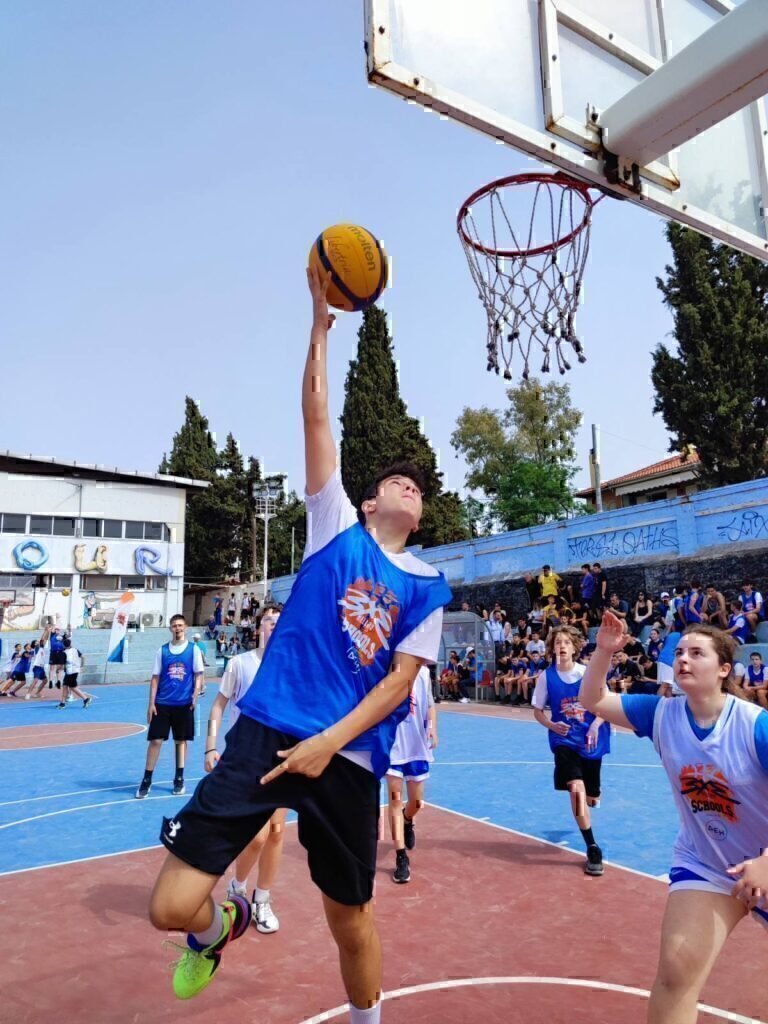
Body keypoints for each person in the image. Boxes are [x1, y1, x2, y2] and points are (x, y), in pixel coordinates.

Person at [146, 266, 452, 1018]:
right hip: (268, 729)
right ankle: (219, 928)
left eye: (419, 488)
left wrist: (328, 743)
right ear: (368, 501)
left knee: (350, 918)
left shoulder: (427, 585)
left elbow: (398, 683)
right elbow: (316, 412)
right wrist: (319, 324)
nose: (410, 487)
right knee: (169, 906)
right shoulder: (334, 525)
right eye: (397, 482)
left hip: (346, 757)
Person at [580, 612, 768, 1023]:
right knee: (676, 970)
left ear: (723, 669)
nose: (683, 658)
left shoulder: (756, 727)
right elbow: (593, 699)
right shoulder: (661, 713)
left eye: (697, 653)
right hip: (709, 861)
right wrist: (603, 652)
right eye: (680, 651)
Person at [206, 605, 285, 933]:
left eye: (280, 621)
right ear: (258, 628)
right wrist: (211, 745)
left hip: (280, 759)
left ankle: (262, 899)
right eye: (269, 620)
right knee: (256, 837)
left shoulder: (290, 666)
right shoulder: (240, 664)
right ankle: (237, 888)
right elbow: (218, 706)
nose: (274, 625)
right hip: (246, 759)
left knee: (276, 833)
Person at [531, 624, 609, 876]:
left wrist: (595, 725)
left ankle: (594, 794)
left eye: (566, 642)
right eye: (558, 642)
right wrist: (552, 725)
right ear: (552, 648)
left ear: (575, 648)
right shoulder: (546, 677)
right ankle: (592, 847)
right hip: (564, 740)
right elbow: (537, 711)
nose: (562, 646)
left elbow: (606, 704)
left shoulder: (588, 673)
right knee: (576, 790)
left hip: (590, 739)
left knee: (591, 796)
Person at [136, 614, 204, 800]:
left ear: (186, 627)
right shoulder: (162, 651)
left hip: (184, 704)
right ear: (170, 629)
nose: (177, 628)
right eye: (174, 625)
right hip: (162, 703)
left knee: (180, 742)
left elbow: (198, 674)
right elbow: (155, 678)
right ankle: (147, 779)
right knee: (155, 741)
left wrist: (195, 693)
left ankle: (179, 778)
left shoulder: (193, 650)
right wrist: (151, 703)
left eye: (180, 625)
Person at [386, 665, 437, 884]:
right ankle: (401, 857)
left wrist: (432, 727)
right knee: (395, 800)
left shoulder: (423, 672)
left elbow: (430, 706)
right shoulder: (387, 668)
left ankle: (407, 819)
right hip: (394, 747)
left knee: (416, 802)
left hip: (417, 747)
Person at [56, 639, 93, 709]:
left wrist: (57, 669)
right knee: (65, 685)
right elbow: (83, 657)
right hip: (74, 671)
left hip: (71, 672)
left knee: (72, 687)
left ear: (63, 645)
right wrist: (82, 666)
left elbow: (61, 665)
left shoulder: (64, 653)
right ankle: (62, 703)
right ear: (70, 644)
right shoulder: (75, 650)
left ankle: (86, 699)